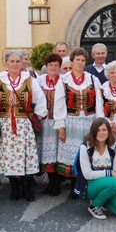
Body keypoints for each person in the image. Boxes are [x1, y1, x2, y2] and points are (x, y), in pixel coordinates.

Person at [0, 49, 47, 201]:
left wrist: (35, 117)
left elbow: (41, 101)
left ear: (22, 63)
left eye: (18, 61)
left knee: (23, 156)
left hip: (23, 124)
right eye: (12, 61)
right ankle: (14, 188)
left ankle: (26, 187)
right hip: (4, 125)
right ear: (6, 63)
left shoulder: (29, 80)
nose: (15, 64)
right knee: (9, 157)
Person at [57, 48, 101, 196]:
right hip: (71, 122)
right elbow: (59, 105)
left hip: (89, 121)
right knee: (73, 154)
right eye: (78, 60)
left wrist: (100, 124)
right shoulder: (63, 80)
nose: (80, 63)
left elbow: (99, 103)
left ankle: (87, 185)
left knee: (88, 153)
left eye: (83, 60)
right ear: (72, 61)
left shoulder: (93, 79)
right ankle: (73, 187)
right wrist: (61, 127)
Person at [76, 118, 116, 220]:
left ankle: (102, 199)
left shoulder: (113, 146)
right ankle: (94, 205)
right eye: (98, 130)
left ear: (108, 131)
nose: (101, 133)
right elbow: (87, 174)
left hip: (108, 184)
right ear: (93, 131)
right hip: (90, 185)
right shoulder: (85, 147)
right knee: (115, 183)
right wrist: (109, 172)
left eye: (104, 130)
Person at [37, 53, 66, 196]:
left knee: (58, 152)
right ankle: (50, 183)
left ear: (60, 67)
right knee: (47, 153)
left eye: (56, 65)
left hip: (59, 121)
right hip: (45, 122)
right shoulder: (39, 80)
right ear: (46, 67)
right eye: (50, 65)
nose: (53, 68)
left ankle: (57, 185)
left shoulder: (64, 80)